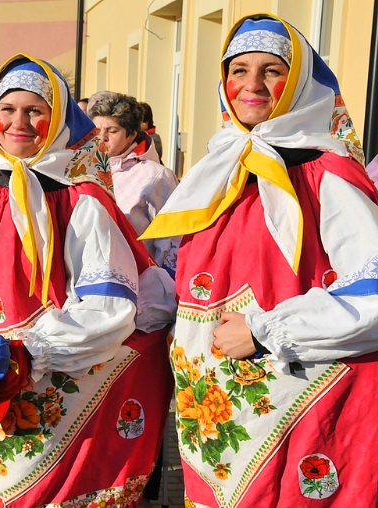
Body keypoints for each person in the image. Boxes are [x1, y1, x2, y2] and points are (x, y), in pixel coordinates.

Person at [141, 14, 378, 507]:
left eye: (272, 70)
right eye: (239, 70)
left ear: (299, 82)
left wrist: (265, 331)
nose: (252, 85)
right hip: (216, 419)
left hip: (295, 406)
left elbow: (372, 290)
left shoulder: (326, 172)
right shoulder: (219, 166)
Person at [0, 54, 176, 507]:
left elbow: (109, 307)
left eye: (34, 111)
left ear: (59, 119)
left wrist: (30, 353)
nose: (18, 122)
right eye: (8, 109)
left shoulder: (80, 199)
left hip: (44, 381)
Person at [89, 94, 179, 276]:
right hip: (88, 279)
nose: (102, 137)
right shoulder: (81, 170)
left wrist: (161, 284)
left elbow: (170, 239)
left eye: (112, 131)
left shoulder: (155, 176)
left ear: (131, 135)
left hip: (138, 281)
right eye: (97, 130)